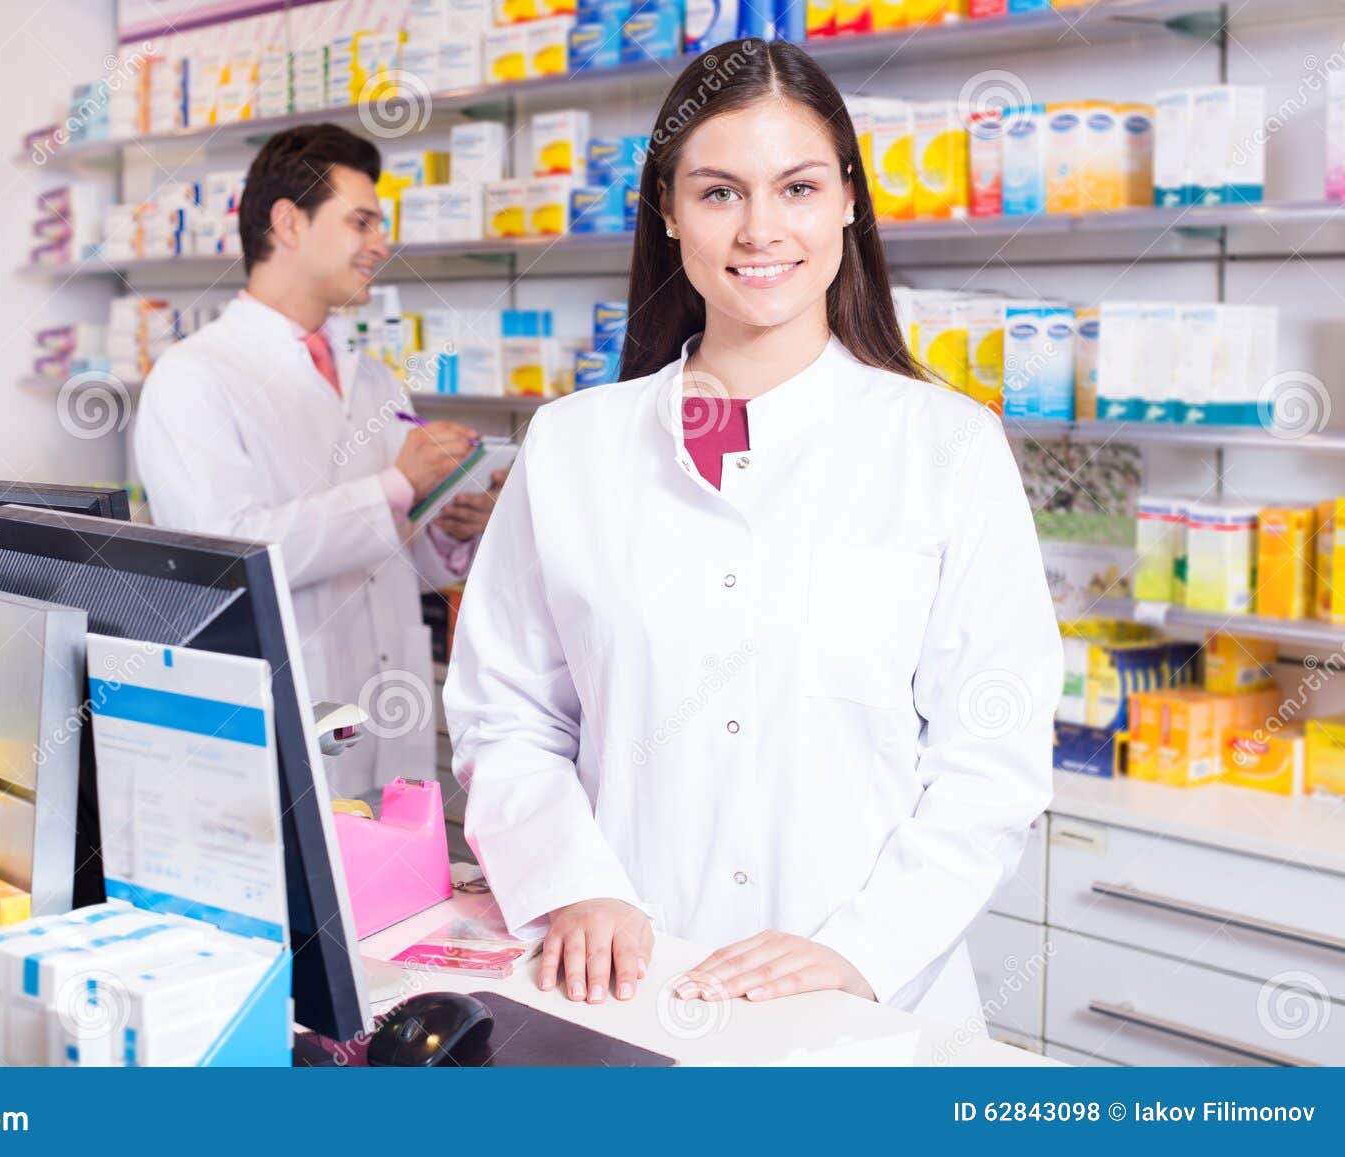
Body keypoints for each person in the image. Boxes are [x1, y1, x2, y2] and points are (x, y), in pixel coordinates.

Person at [443, 39, 1061, 1026]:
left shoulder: (945, 445)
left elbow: (990, 757)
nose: (761, 228)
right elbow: (507, 714)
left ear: (849, 202)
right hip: (628, 988)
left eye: (799, 187)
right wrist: (572, 883)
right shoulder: (571, 448)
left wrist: (859, 947)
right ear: (668, 211)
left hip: (869, 1000)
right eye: (719, 192)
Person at [135, 124, 498, 799]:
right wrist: (397, 484)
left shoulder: (376, 380)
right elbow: (227, 553)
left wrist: (447, 530)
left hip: (387, 716)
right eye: (361, 221)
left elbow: (390, 552)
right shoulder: (194, 377)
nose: (380, 246)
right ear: (288, 223)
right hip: (278, 723)